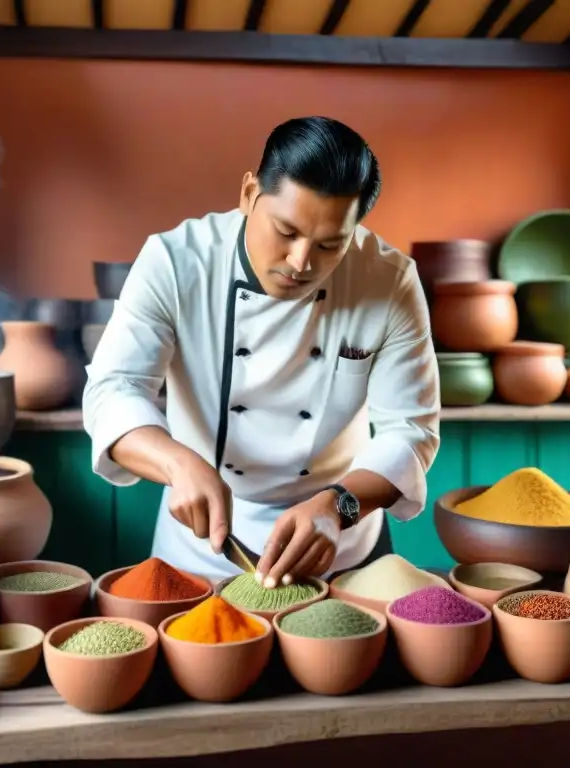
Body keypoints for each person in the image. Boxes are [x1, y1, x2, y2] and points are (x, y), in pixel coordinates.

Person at [83, 116, 440, 589]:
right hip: (203, 544)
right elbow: (114, 388)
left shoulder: (389, 281)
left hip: (340, 539)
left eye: (330, 244)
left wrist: (339, 507)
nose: (301, 262)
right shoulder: (176, 261)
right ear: (250, 194)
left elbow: (411, 430)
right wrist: (175, 462)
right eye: (286, 231)